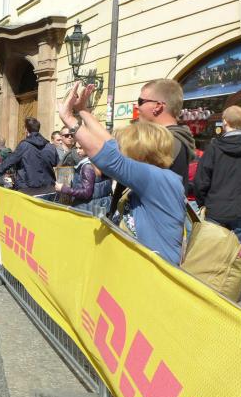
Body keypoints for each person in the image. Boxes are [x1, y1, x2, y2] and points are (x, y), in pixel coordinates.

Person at [60, 82, 185, 265]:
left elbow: (111, 158)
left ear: (141, 151)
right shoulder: (151, 174)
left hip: (154, 274)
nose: (120, 149)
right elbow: (110, 145)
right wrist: (83, 111)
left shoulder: (156, 178)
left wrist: (69, 118)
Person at [194, 105, 241, 242]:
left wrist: (203, 203)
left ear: (225, 121)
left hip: (216, 209)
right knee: (234, 252)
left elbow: (201, 181)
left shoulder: (214, 148)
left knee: (213, 251)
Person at [135, 79, 195, 185]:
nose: (136, 106)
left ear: (158, 106)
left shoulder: (166, 141)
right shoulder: (176, 138)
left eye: (140, 101)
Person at [0, 117, 58, 195]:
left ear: (26, 130)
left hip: (28, 189)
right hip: (49, 189)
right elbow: (56, 163)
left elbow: (8, 162)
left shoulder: (24, 145)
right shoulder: (49, 146)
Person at [54, 144, 112, 212]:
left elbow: (86, 193)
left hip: (87, 209)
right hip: (101, 207)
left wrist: (63, 188)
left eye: (81, 148)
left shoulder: (87, 167)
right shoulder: (101, 161)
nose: (77, 151)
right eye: (77, 148)